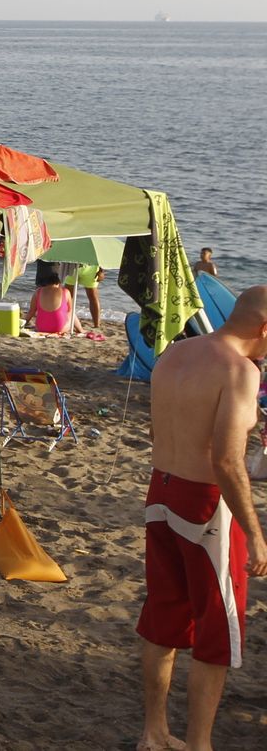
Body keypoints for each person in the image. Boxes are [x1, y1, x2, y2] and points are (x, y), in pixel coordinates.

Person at [136, 286, 267, 751]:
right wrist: (255, 534)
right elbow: (228, 463)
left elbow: (160, 425)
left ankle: (153, 733)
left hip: (161, 488)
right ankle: (199, 745)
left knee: (164, 614)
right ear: (264, 329)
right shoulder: (240, 371)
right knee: (217, 629)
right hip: (205, 503)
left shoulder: (177, 352)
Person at [25, 269, 82, 335]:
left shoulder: (38, 292)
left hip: (41, 328)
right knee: (71, 311)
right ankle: (80, 329)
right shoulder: (65, 292)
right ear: (58, 282)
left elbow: (31, 312)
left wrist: (23, 324)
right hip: (59, 328)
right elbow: (70, 311)